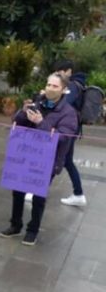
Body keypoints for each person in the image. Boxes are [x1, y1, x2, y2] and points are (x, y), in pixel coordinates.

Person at [0, 73, 78, 246]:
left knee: (38, 196)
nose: (50, 88)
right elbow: (17, 122)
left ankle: (32, 230)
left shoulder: (68, 113)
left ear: (64, 90)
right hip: (26, 155)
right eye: (48, 84)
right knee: (18, 190)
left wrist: (42, 123)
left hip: (47, 160)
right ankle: (15, 224)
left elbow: (63, 137)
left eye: (55, 86)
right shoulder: (37, 102)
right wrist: (24, 111)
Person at [55, 60, 87, 207]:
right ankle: (78, 194)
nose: (59, 74)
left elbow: (64, 103)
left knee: (56, 158)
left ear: (68, 71)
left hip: (68, 128)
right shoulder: (79, 83)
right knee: (66, 160)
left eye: (61, 71)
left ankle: (36, 190)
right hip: (72, 128)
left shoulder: (73, 86)